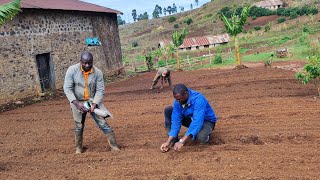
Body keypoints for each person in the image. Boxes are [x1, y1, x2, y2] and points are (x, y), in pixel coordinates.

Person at [64, 51, 120, 154]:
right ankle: (79, 148)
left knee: (103, 123)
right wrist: (77, 103)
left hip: (92, 100)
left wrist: (94, 104)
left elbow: (100, 90)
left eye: (90, 63)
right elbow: (67, 88)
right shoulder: (72, 70)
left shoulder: (98, 73)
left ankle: (114, 146)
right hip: (77, 101)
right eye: (85, 63)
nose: (87, 65)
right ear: (80, 61)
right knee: (79, 125)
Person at [160, 84, 217, 152]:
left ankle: (206, 134)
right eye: (176, 99)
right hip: (191, 118)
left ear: (186, 93)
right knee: (169, 110)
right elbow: (176, 121)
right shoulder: (178, 101)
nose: (178, 101)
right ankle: (173, 140)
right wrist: (168, 141)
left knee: (200, 138)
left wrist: (182, 141)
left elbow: (197, 121)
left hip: (206, 121)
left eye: (179, 99)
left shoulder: (198, 99)